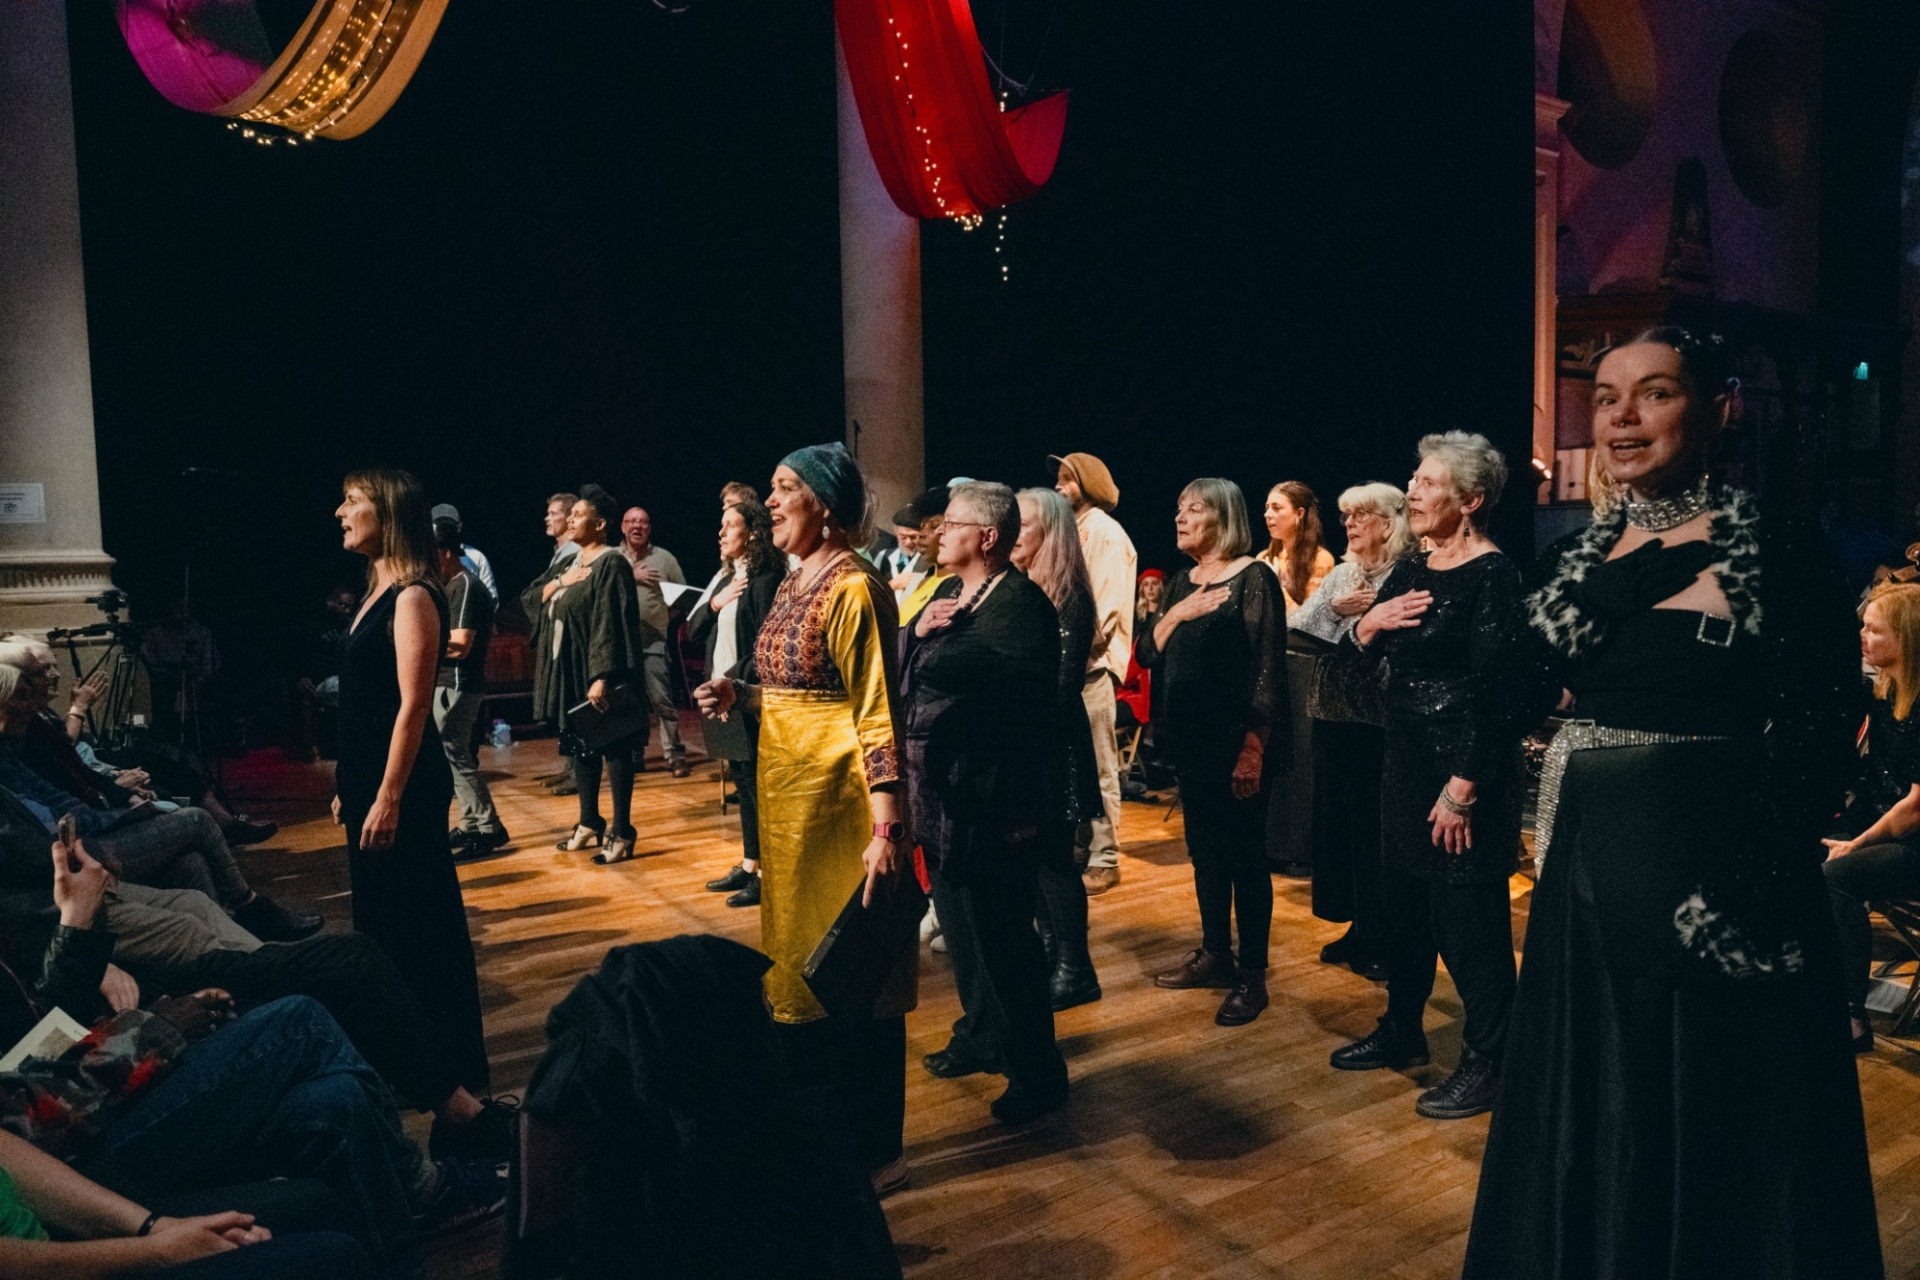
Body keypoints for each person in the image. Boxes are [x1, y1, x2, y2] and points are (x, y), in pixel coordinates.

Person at [1467, 328, 1882, 1276]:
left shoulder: (1770, 540)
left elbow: (1822, 728)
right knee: (1605, 1103)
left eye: (1654, 393)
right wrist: (1608, 592)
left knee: (1720, 1121)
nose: (1623, 417)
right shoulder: (1581, 555)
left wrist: (1743, 881)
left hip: (1725, 878)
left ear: (1716, 409)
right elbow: (1503, 699)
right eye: (1607, 397)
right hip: (1590, 876)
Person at [693, 442, 914, 1196]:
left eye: (785, 487)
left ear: (825, 502)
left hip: (844, 808)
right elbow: (800, 691)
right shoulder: (795, 580)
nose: (770, 501)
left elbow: (878, 711)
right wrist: (743, 696)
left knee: (858, 969)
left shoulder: (855, 587)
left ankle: (879, 1150)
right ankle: (826, 1135)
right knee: (799, 967)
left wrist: (886, 830)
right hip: (793, 808)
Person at [1329, 433, 1526, 1121]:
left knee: (1469, 926)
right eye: (1413, 479)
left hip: (1463, 778)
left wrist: (1462, 790)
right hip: (1406, 765)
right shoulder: (1414, 567)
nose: (1411, 491)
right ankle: (1401, 1030)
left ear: (1469, 500)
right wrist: (1368, 626)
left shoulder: (1493, 576)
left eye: (1428, 482)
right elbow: (1353, 669)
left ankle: (1491, 1059)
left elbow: (1499, 698)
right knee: (1405, 912)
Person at [904, 483, 1071, 1123]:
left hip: (998, 801)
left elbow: (979, 673)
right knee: (962, 930)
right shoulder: (949, 592)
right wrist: (915, 632)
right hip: (945, 797)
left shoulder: (1022, 605)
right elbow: (911, 653)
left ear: (988, 537)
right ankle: (981, 1033)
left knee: (1005, 940)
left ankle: (1037, 1072)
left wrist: (922, 643)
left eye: (952, 524)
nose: (938, 532)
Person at [333, 468, 491, 1099]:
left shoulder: (414, 596)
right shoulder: (378, 591)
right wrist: (352, 782)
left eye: (352, 501)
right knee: (383, 931)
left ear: (389, 511)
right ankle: (408, 1068)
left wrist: (388, 794)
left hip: (402, 793)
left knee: (421, 932)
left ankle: (450, 1072)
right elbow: (365, 705)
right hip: (371, 786)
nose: (340, 512)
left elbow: (412, 707)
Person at [0, 646, 320, 945]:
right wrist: (116, 806)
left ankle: (228, 947)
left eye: (47, 670)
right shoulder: (20, 740)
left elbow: (63, 792)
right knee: (195, 820)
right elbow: (49, 828)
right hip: (77, 861)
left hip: (93, 826)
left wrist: (122, 802)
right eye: (35, 675)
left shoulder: (28, 731)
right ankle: (249, 907)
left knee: (190, 861)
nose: (50, 677)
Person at [1136, 479, 1288, 1027]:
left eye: (1193, 509)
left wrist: (1253, 748)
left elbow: (1267, 672)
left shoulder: (1254, 579)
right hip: (1191, 743)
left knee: (1245, 859)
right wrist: (1176, 613)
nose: (1179, 518)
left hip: (1235, 744)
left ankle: (1253, 975)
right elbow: (1146, 653)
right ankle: (1215, 954)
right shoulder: (1181, 582)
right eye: (1179, 508)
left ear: (1222, 518)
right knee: (1205, 854)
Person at [1288, 483, 1414, 979]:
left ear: (1389, 523)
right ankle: (1358, 924)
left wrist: (1362, 624)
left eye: (1361, 515)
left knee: (1372, 832)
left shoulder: (1406, 574)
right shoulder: (1342, 574)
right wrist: (1335, 611)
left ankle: (1381, 934)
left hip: (1375, 723)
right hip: (1330, 716)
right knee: (1338, 829)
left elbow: (1395, 652)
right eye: (1346, 515)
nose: (1350, 524)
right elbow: (1298, 630)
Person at [1012, 487, 1105, 1011]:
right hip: (1033, 745)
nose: (1012, 532)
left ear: (1050, 533)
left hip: (1056, 749)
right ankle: (1051, 958)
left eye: (1023, 524)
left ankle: (1076, 971)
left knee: (1056, 863)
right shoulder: (1025, 588)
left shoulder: (1069, 594)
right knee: (1038, 863)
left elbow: (1060, 686)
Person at [1826, 583, 1920, 1052]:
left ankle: (1851, 1018)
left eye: (1873, 629)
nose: (1861, 637)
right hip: (1887, 829)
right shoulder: (1885, 693)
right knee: (1790, 851)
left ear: (1907, 638)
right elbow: (1875, 787)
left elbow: (1912, 810)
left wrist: (1854, 843)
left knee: (1837, 876)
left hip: (1913, 843)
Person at [542, 487, 650, 864]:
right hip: (574, 669)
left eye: (579, 515)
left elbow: (610, 621)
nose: (571, 520)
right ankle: (589, 821)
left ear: (600, 524)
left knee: (615, 746)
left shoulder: (611, 562)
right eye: (569, 515)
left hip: (602, 670)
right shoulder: (572, 563)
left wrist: (602, 674)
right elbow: (535, 597)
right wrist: (559, 584)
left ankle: (623, 831)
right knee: (581, 747)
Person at [686, 499, 785, 908]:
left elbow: (765, 644)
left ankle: (767, 873)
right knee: (742, 781)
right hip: (723, 691)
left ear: (754, 532)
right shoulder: (728, 577)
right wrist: (717, 602)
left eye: (731, 525)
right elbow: (693, 628)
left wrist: (735, 683)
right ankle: (749, 863)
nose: (722, 532)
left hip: (747, 691)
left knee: (757, 784)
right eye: (722, 524)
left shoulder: (766, 577)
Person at [1051, 452, 1135, 895]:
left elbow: (1105, 607)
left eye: (1068, 478)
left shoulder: (1105, 532)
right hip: (1065, 667)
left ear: (1089, 484)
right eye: (1058, 478)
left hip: (1089, 668)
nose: (1058, 486)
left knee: (1100, 765)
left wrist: (1074, 652)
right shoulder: (1071, 532)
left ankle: (1105, 857)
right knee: (1073, 764)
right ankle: (1081, 848)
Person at [430, 519, 508, 858]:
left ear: (446, 552)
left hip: (458, 683)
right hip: (450, 683)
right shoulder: (452, 585)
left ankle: (488, 827)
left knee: (455, 752)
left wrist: (417, 645)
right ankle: (472, 822)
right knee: (452, 754)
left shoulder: (465, 586)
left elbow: (460, 644)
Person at [619, 506, 690, 777]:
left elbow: (682, 599)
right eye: (632, 522)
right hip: (620, 645)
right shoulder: (612, 558)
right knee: (629, 703)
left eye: (643, 522)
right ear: (623, 527)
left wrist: (661, 618)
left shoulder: (664, 558)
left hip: (653, 642)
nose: (637, 526)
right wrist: (631, 576)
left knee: (661, 699)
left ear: (649, 528)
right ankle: (634, 755)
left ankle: (676, 754)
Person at [521, 492, 581, 795]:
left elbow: (544, 594)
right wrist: (550, 587)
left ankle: (578, 772)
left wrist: (549, 588)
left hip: (569, 641)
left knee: (571, 704)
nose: (547, 517)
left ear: (570, 519)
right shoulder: (560, 554)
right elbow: (535, 595)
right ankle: (569, 768)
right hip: (556, 637)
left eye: (554, 512)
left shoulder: (575, 554)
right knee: (562, 706)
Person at [1256, 481, 1336, 612]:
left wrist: (1276, 586)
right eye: (1267, 508)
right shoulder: (1263, 558)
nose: (1267, 514)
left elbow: (1309, 620)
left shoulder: (1320, 560)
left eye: (1276, 508)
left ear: (1299, 513)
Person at [428, 503, 498, 603]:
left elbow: (492, 599)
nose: (445, 529)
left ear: (459, 527)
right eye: (440, 524)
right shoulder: (427, 555)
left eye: (449, 525)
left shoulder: (477, 557)